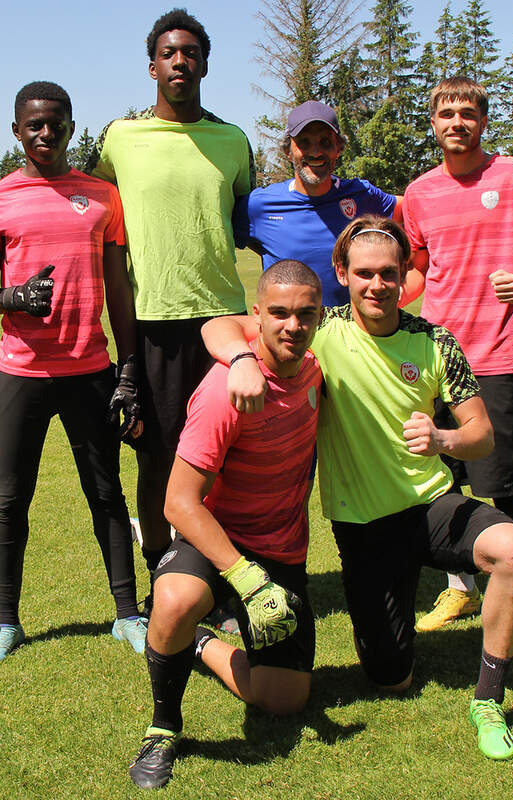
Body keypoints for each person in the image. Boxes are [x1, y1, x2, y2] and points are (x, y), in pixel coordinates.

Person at [204, 216, 513, 761]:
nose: (377, 285)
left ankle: (488, 699)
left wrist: (443, 437)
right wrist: (240, 358)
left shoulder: (434, 341)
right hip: (364, 528)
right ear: (343, 274)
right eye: (364, 274)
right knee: (389, 679)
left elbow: (482, 436)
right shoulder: (317, 329)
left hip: (433, 505)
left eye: (389, 273)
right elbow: (217, 326)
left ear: (405, 275)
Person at [0, 81, 147, 664]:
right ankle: (7, 622)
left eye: (55, 123)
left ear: (71, 126)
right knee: (11, 500)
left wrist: (127, 369)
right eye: (33, 124)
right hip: (20, 374)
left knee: (106, 495)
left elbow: (118, 288)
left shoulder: (102, 196)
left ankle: (127, 614)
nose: (45, 133)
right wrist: (14, 296)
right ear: (16, 131)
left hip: (90, 370)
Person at [127, 261, 323, 790]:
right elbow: (178, 503)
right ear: (256, 316)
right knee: (174, 602)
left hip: (281, 548)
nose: (292, 326)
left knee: (286, 702)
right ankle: (164, 725)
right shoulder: (225, 392)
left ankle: (198, 645)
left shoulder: (316, 366)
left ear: (320, 315)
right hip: (216, 538)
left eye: (306, 314)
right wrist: (247, 579)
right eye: (278, 313)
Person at [86, 8, 256, 598]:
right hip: (152, 323)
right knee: (156, 458)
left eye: (190, 52)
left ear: (205, 63)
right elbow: (89, 207)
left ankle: (225, 570)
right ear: (152, 65)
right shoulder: (120, 138)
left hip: (223, 323)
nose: (180, 61)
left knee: (223, 460)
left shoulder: (233, 141)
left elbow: (244, 216)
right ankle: (161, 564)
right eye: (169, 53)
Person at [402, 76, 513, 632]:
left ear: (483, 120)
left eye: (467, 112)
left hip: (500, 355)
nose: (457, 122)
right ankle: (461, 590)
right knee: (440, 481)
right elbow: (418, 268)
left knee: (500, 486)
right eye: (446, 113)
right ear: (433, 124)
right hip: (437, 357)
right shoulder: (419, 192)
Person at [236, 100, 416, 307]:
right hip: (292, 334)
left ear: (338, 148)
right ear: (288, 151)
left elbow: (413, 208)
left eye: (325, 142)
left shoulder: (362, 194)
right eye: (303, 142)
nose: (315, 152)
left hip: (351, 335)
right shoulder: (258, 206)